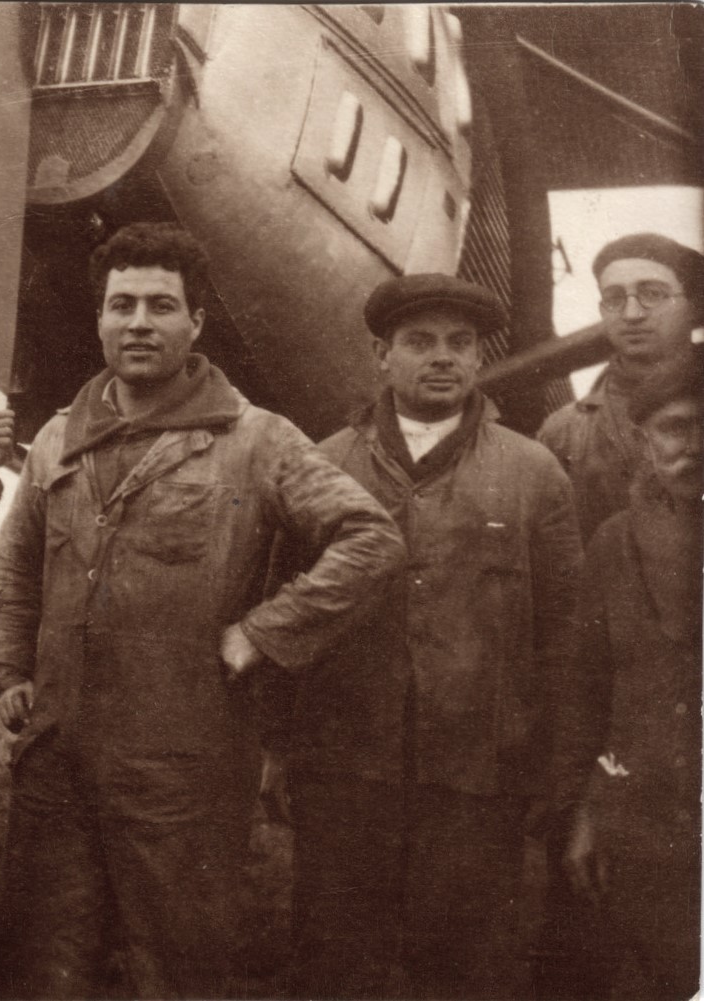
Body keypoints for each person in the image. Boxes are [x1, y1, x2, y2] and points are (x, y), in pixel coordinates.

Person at [0, 222, 406, 999]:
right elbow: (14, 562)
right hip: (57, 756)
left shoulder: (256, 439)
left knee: (175, 969)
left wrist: (264, 632)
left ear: (196, 322)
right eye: (122, 305)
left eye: (162, 305)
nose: (139, 322)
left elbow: (370, 537)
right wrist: (7, 670)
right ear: (99, 319)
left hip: (183, 768)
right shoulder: (57, 438)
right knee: (36, 971)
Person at [266, 274, 584, 1000]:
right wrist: (277, 747)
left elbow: (564, 633)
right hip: (345, 770)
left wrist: (551, 762)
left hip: (478, 780)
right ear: (381, 355)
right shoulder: (325, 465)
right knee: (335, 967)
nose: (442, 357)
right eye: (419, 342)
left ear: (477, 358)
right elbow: (285, 613)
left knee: (464, 971)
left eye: (459, 343)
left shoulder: (533, 472)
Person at [555, 350, 702, 1001]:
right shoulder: (615, 544)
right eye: (675, 428)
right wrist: (587, 812)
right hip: (647, 824)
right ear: (644, 440)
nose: (694, 446)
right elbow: (587, 694)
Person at [538, 233, 703, 540]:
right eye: (614, 299)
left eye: (653, 294)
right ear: (602, 311)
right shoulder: (564, 432)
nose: (631, 314)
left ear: (694, 306)